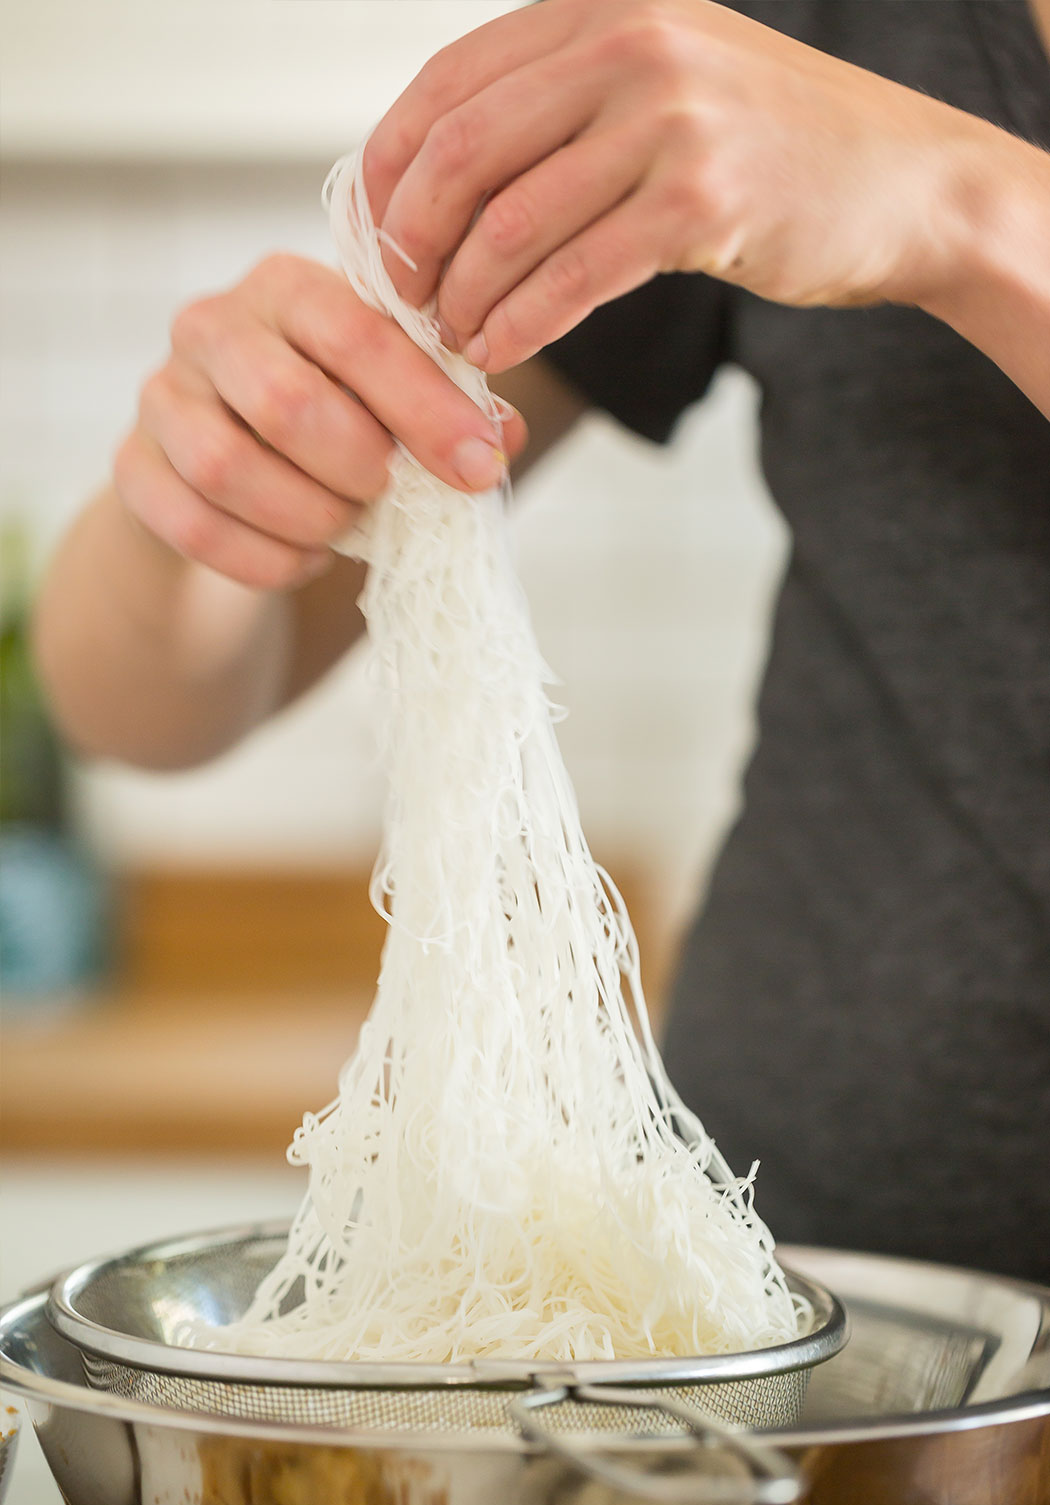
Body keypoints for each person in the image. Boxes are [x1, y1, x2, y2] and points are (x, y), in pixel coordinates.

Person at [34, 0, 1049, 1284]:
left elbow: (953, 200)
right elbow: (130, 703)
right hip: (772, 1336)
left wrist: (967, 208)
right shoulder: (838, 20)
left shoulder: (893, 126)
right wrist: (202, 494)